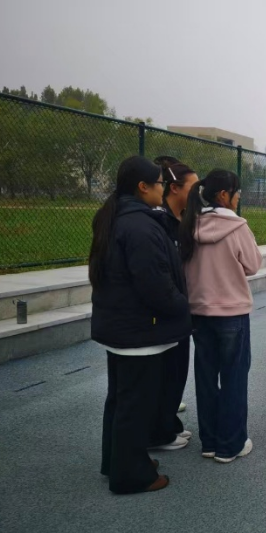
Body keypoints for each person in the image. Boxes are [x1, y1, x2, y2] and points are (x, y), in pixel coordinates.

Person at [91, 156, 191, 494]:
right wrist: (182, 306)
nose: (163, 189)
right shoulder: (140, 226)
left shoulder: (117, 218)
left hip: (123, 328)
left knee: (121, 401)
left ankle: (116, 461)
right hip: (140, 332)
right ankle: (131, 475)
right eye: (160, 183)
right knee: (135, 405)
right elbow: (154, 283)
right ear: (143, 187)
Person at [179, 169, 262, 462]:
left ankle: (210, 442)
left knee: (205, 378)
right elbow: (253, 265)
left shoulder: (189, 224)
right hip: (232, 313)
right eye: (237, 193)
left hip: (199, 313)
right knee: (234, 378)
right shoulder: (237, 226)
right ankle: (230, 444)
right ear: (224, 195)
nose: (239, 198)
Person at [147, 158, 198, 449]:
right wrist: (178, 302)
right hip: (168, 309)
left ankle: (168, 424)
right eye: (193, 187)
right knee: (165, 373)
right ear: (174, 188)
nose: (198, 193)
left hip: (181, 309)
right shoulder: (159, 222)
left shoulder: (184, 220)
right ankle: (159, 433)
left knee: (177, 371)